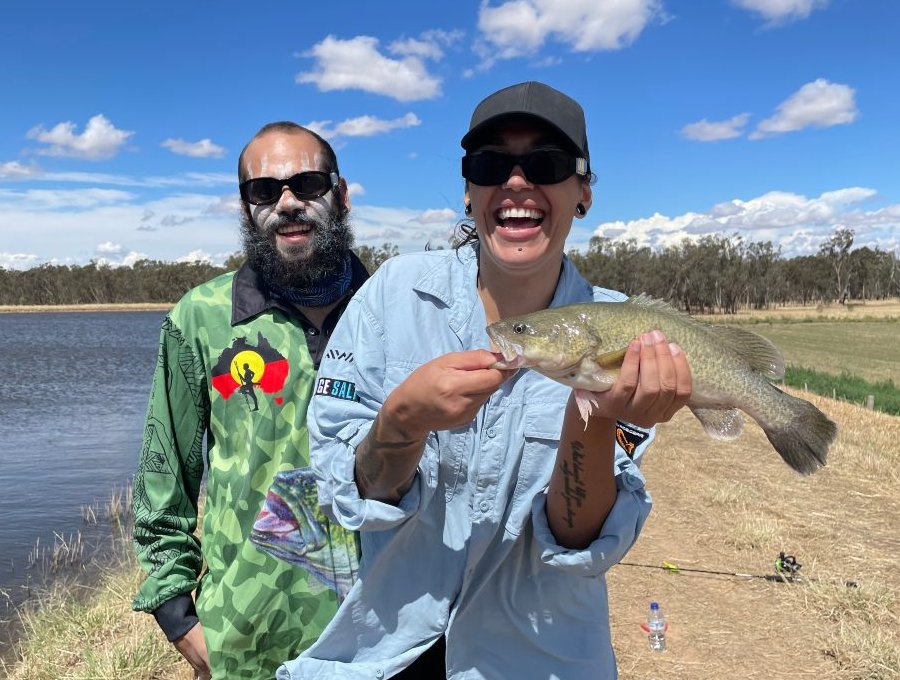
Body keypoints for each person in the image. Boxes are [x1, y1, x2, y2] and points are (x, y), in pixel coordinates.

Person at [278, 81, 692, 680]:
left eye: (546, 163)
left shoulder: (628, 335)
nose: (517, 183)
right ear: (469, 190)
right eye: (491, 163)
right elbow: (349, 497)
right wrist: (403, 421)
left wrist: (596, 418)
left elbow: (578, 541)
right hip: (389, 653)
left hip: (536, 661)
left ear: (583, 193)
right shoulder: (392, 296)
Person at [131, 121, 369, 680]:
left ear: (341, 193)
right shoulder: (201, 318)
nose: (287, 203)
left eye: (308, 184)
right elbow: (164, 474)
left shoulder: (394, 311)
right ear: (245, 209)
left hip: (387, 638)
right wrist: (178, 615)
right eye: (263, 191)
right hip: (246, 644)